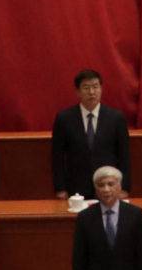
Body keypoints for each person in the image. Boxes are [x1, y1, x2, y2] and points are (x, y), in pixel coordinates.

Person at [72, 167, 142, 270]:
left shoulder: (135, 214)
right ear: (96, 189)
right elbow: (79, 260)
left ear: (120, 186)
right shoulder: (85, 217)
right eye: (101, 185)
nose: (106, 189)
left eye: (111, 184)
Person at [51, 71, 133, 200]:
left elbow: (124, 155)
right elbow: (57, 157)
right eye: (86, 87)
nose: (92, 92)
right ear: (77, 92)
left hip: (108, 186)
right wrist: (60, 188)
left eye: (95, 87)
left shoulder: (116, 118)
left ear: (101, 89)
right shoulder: (64, 118)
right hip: (76, 188)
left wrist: (124, 187)